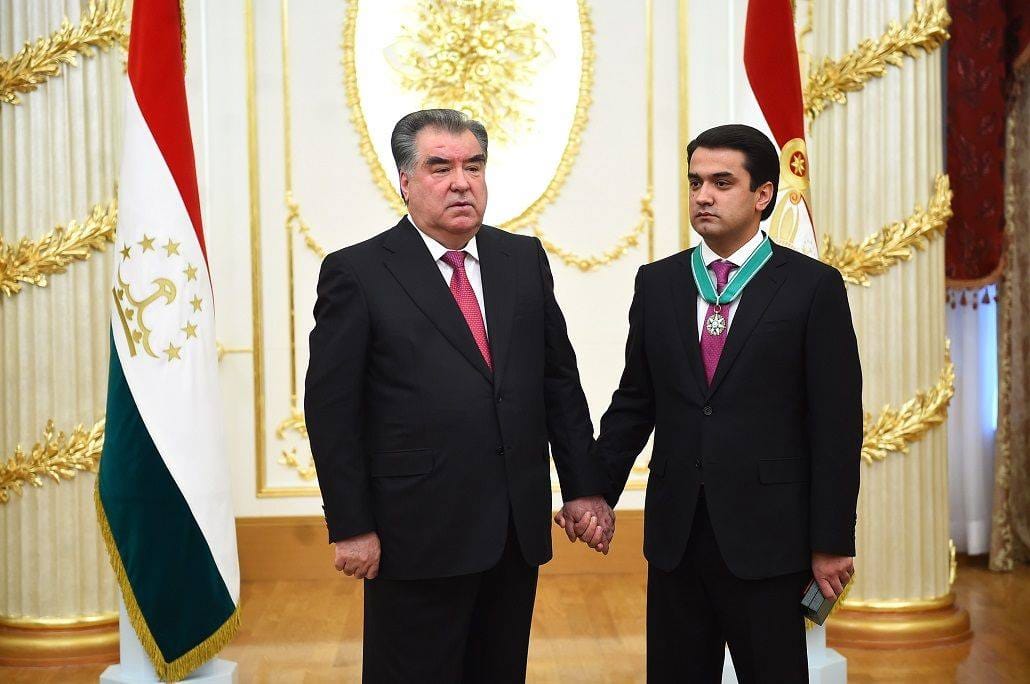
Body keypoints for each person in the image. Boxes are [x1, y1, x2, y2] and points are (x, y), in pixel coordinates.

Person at [304, 108, 613, 683]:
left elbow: (558, 383)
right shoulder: (358, 272)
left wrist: (582, 488)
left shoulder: (522, 260)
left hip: (514, 530)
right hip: (414, 533)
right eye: (440, 168)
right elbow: (331, 411)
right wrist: (350, 524)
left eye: (474, 166)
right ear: (405, 182)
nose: (461, 182)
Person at [588, 124, 862, 682]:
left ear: (763, 194)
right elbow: (635, 403)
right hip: (677, 534)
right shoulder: (658, 283)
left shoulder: (812, 287)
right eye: (695, 183)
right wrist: (594, 492)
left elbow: (836, 426)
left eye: (721, 182)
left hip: (770, 537)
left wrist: (831, 541)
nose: (703, 196)